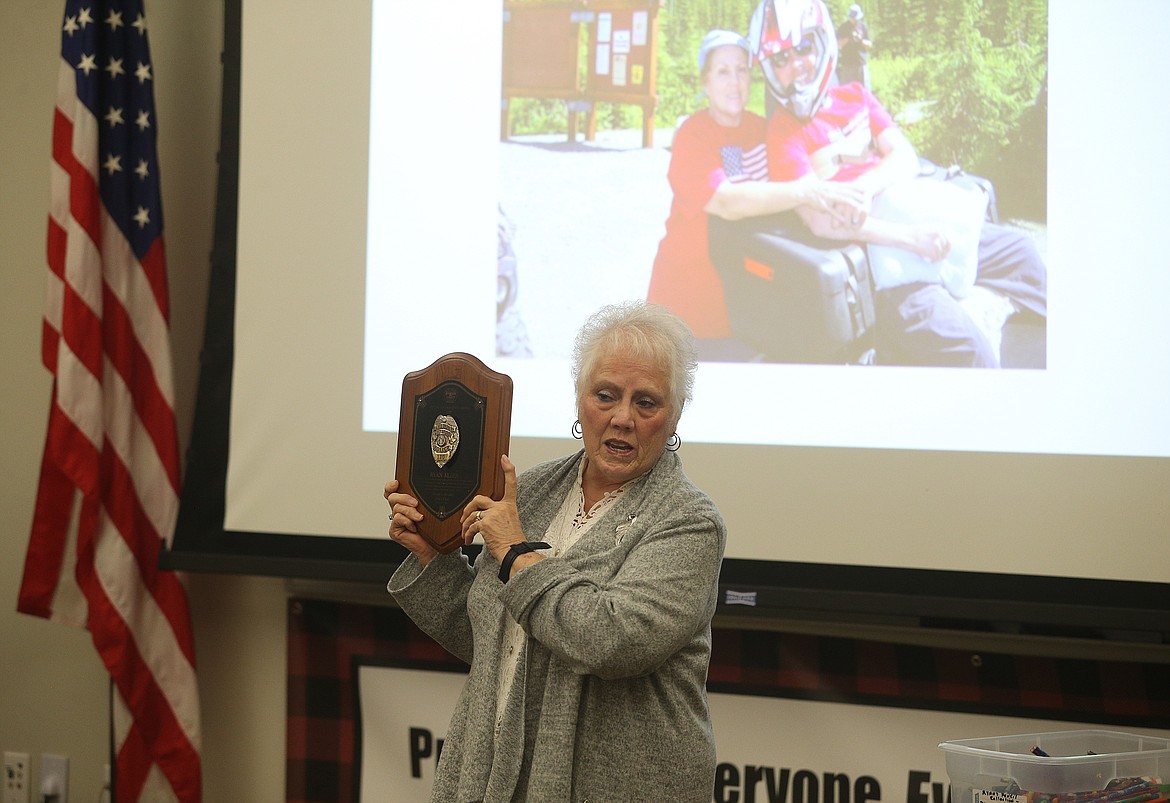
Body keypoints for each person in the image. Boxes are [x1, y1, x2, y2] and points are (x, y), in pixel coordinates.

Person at [384, 301, 728, 802]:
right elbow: (497, 640)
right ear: (579, 399)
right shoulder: (533, 491)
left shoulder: (688, 522)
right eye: (605, 395)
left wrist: (514, 552)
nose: (622, 418)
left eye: (646, 403)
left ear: (674, 415)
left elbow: (612, 640)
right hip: (495, 776)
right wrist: (431, 560)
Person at [749, 0, 1047, 367]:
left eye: (803, 49)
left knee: (1023, 253)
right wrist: (913, 239)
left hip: (920, 218)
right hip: (880, 261)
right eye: (779, 59)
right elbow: (820, 220)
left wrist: (864, 188)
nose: (794, 65)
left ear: (823, 42)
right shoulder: (783, 130)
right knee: (971, 354)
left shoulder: (854, 95)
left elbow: (904, 155)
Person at [646, 28, 868, 362]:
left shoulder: (763, 128)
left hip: (748, 304)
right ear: (705, 82)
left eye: (741, 71)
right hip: (687, 309)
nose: (734, 82)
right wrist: (805, 191)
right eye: (722, 72)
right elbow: (726, 202)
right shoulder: (693, 135)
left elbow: (806, 166)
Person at [836, 3, 872, 89]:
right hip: (847, 64)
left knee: (864, 89)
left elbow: (869, 44)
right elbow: (838, 44)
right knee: (846, 89)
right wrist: (849, 38)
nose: (855, 20)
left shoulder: (863, 26)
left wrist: (861, 40)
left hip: (861, 63)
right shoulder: (843, 27)